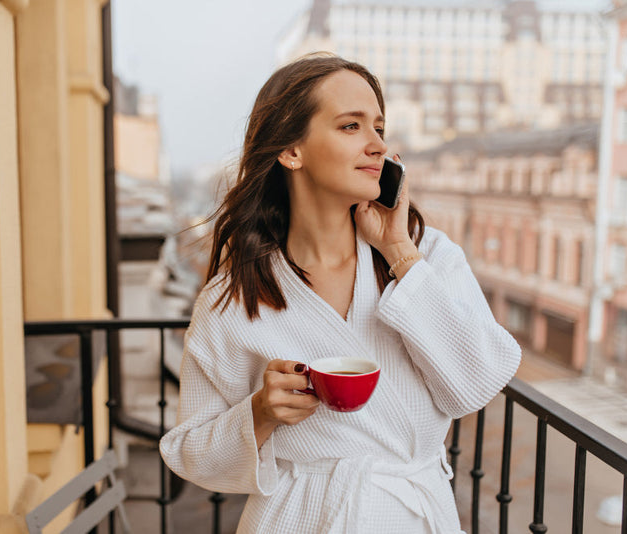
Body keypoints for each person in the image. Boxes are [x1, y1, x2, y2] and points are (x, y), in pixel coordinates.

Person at [159, 54, 521, 533]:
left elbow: (478, 382)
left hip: (410, 515)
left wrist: (397, 252)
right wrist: (260, 412)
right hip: (299, 518)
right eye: (350, 126)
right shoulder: (236, 297)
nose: (377, 145)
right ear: (292, 152)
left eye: (379, 127)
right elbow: (190, 453)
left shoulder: (424, 256)